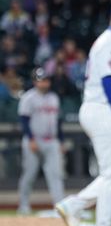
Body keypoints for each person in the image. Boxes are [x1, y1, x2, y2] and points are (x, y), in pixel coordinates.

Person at [56, 0, 111, 226]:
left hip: (107, 111)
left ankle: (75, 205)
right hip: (104, 110)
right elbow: (109, 82)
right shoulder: (108, 43)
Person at [17, 68, 64, 215]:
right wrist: (30, 139)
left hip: (52, 141)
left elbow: (59, 122)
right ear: (34, 82)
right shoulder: (28, 98)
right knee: (29, 175)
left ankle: (60, 207)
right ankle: (23, 206)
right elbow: (24, 121)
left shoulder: (54, 98)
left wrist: (61, 141)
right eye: (41, 80)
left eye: (46, 80)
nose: (44, 83)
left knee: (55, 175)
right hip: (34, 140)